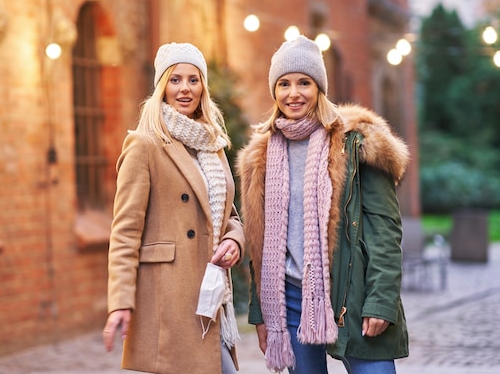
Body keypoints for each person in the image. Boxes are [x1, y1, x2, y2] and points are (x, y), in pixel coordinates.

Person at [236, 35, 409, 374]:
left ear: (319, 88)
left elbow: (386, 232)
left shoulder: (355, 145)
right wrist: (261, 314)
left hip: (353, 295)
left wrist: (381, 301)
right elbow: (260, 242)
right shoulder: (261, 157)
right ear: (275, 91)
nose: (293, 93)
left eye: (304, 82)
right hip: (290, 300)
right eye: (284, 84)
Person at [102, 42, 245, 374]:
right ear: (162, 87)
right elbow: (124, 232)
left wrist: (234, 240)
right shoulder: (145, 144)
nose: (185, 88)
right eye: (175, 79)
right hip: (170, 297)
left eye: (193, 80)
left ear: (203, 88)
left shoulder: (213, 144)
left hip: (211, 295)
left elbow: (229, 215)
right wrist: (121, 301)